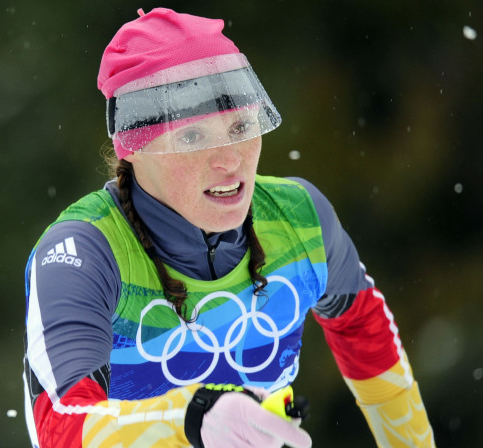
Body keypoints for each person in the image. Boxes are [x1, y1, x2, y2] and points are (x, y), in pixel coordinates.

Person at [22, 7, 434, 448]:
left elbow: (367, 337)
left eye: (241, 126)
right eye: (193, 137)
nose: (231, 161)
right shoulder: (82, 252)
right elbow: (61, 427)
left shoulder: (299, 218)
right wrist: (191, 420)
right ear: (133, 149)